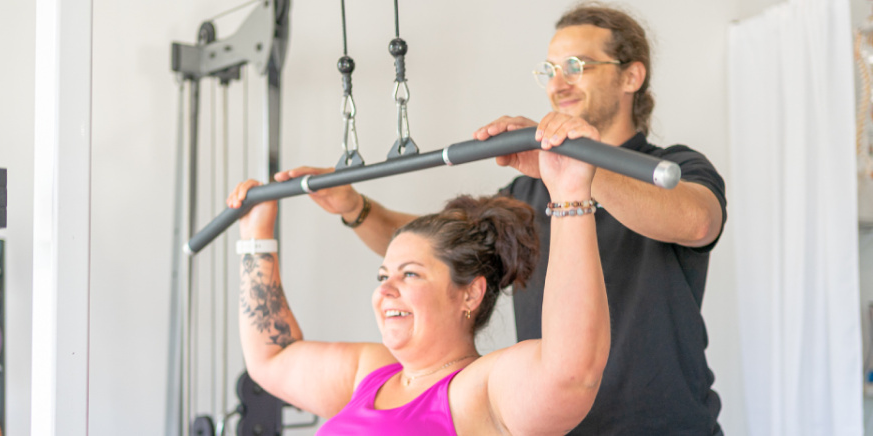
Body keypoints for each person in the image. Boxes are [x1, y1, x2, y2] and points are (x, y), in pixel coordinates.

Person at [273, 2, 726, 434]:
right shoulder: (528, 190)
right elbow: (436, 254)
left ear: (632, 76)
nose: (558, 83)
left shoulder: (671, 167)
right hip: (551, 424)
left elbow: (696, 222)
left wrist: (578, 167)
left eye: (577, 66)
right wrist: (356, 208)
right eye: (549, 70)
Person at [229, 140, 608, 435]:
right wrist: (256, 237)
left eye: (410, 274)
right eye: (383, 276)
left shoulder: (478, 392)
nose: (386, 290)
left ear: (470, 294)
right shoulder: (372, 373)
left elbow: (571, 372)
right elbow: (272, 357)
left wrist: (570, 193)